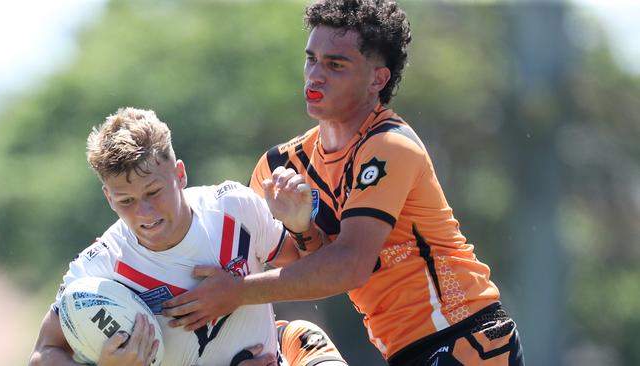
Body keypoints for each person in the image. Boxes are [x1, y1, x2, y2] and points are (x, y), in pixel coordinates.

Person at [163, 1, 525, 365]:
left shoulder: (388, 145)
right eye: (311, 59)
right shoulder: (279, 166)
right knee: (292, 339)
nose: (315, 75)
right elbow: (292, 266)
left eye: (335, 65)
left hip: (465, 337)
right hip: (406, 351)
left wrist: (237, 292)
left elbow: (349, 266)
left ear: (377, 79)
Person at [29, 108, 346, 366]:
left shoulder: (233, 207)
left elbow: (313, 272)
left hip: (285, 353)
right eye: (126, 201)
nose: (145, 212)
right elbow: (43, 353)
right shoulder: (98, 270)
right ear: (109, 199)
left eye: (154, 192)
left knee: (308, 340)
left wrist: (301, 227)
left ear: (180, 174)